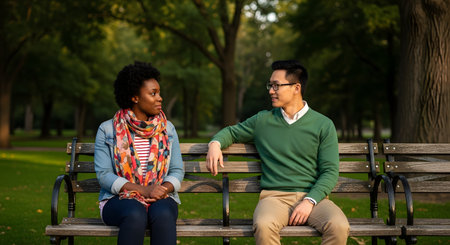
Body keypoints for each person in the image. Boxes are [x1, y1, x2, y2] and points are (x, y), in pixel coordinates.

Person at [206, 60, 349, 245]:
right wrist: (215, 144)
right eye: (270, 85)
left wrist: (309, 201)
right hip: (274, 198)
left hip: (314, 198)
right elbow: (231, 132)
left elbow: (330, 171)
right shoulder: (262, 121)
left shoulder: (323, 124)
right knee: (264, 225)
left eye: (276, 85)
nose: (271, 90)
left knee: (339, 226)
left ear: (296, 88)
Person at [94, 61, 184, 245]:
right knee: (135, 214)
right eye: (153, 93)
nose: (160, 98)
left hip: (162, 197)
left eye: (159, 93)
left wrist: (162, 189)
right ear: (135, 97)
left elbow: (177, 170)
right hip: (118, 199)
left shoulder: (167, 129)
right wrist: (143, 190)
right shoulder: (108, 130)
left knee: (163, 214)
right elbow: (104, 175)